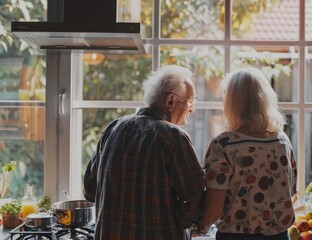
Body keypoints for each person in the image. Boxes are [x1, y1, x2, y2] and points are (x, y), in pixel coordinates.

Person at [83, 65, 205, 240]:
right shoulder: (174, 137)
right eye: (190, 101)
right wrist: (179, 224)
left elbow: (89, 190)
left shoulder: (113, 128)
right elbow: (195, 200)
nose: (192, 109)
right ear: (170, 101)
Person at [195, 67, 297, 240]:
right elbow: (291, 191)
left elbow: (214, 208)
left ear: (231, 103)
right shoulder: (282, 142)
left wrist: (200, 229)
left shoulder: (223, 145)